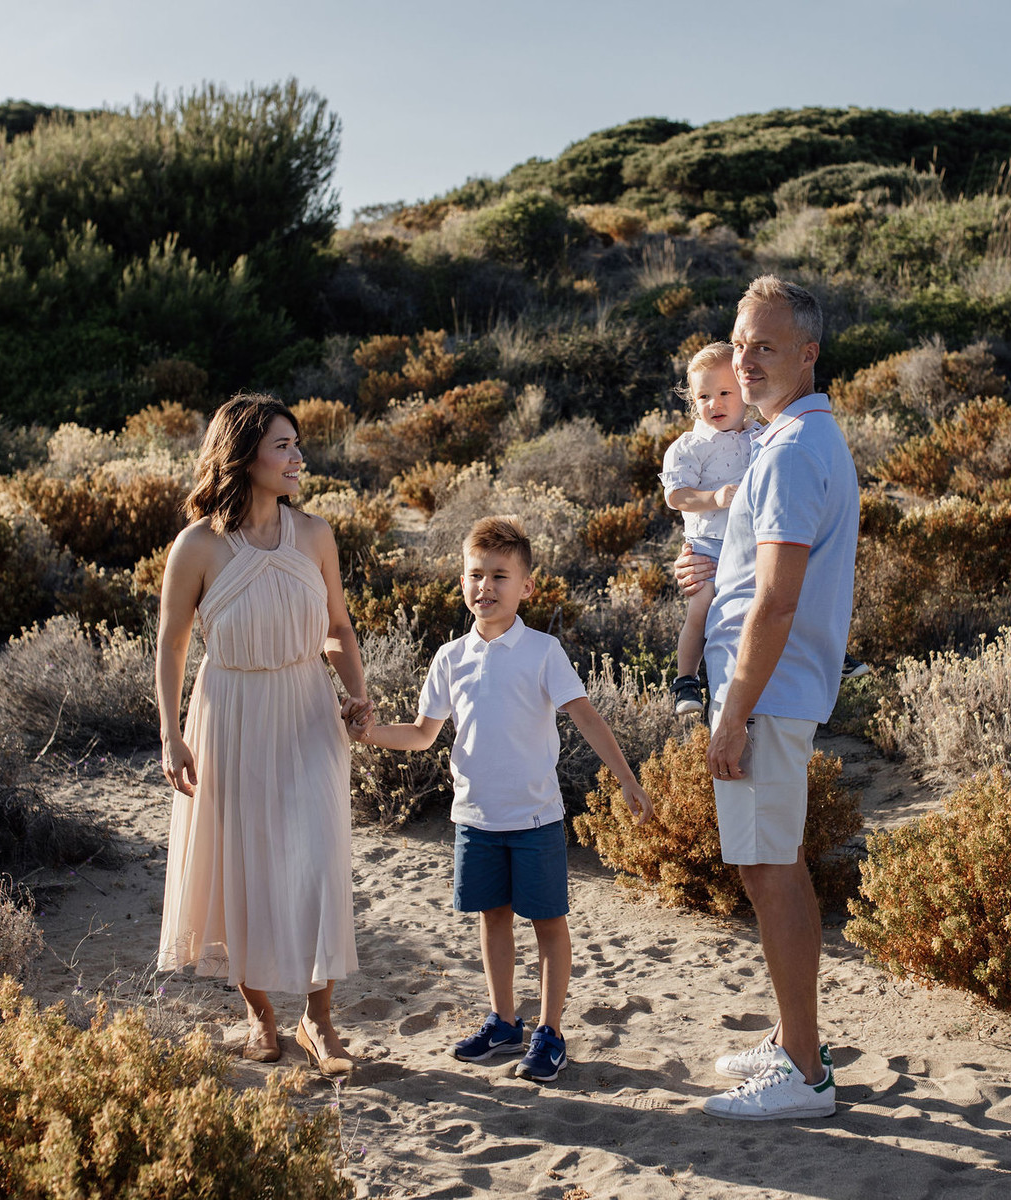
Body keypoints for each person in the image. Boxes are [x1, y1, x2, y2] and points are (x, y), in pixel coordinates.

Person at [353, 516, 655, 1082]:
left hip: (536, 816)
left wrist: (626, 777)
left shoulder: (543, 652)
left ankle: (550, 1032)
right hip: (475, 818)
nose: (485, 587)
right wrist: (365, 734)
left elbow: (585, 715)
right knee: (493, 919)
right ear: (462, 581)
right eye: (475, 575)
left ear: (526, 586)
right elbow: (422, 733)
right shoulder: (450, 658)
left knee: (547, 923)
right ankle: (503, 1021)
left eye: (499, 576)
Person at [675, 276, 859, 1120]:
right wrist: (710, 574)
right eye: (740, 344)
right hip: (773, 686)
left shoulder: (787, 453)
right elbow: (756, 573)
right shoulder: (792, 441)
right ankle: (794, 1043)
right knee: (768, 863)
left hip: (769, 691)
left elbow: (778, 599)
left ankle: (805, 1074)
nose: (745, 362)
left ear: (809, 355)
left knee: (769, 868)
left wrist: (734, 707)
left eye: (767, 347)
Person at [154, 393, 373, 1073]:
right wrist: (170, 732)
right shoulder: (197, 546)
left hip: (307, 708)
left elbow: (337, 629)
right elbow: (171, 644)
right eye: (283, 446)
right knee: (241, 866)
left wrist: (358, 693)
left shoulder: (314, 534)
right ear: (244, 454)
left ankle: (320, 1017)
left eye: (298, 444)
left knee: (316, 861)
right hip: (231, 712)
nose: (298, 458)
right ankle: (258, 1014)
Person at [659, 341, 758, 716]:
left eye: (724, 393)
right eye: (703, 396)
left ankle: (828, 652)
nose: (714, 403)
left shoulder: (758, 435)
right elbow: (677, 496)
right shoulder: (689, 446)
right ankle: (687, 679)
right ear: (692, 401)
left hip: (751, 543)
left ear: (743, 394)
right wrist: (715, 498)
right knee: (701, 606)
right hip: (708, 545)